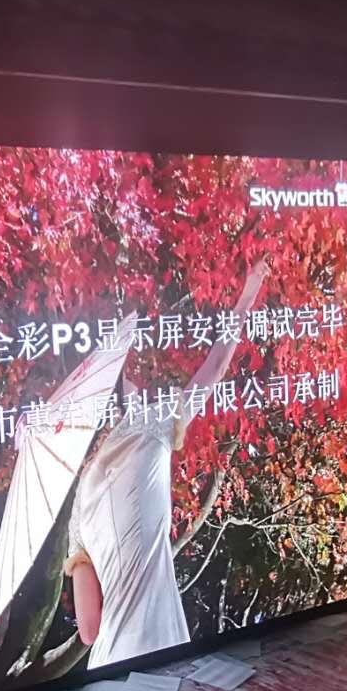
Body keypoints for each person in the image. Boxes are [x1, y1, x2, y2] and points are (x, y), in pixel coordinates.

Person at [66, 261, 268, 669]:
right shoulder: (150, 426)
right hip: (161, 650)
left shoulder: (78, 508)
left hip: (108, 667)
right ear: (124, 388)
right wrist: (248, 293)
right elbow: (215, 368)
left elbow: (88, 630)